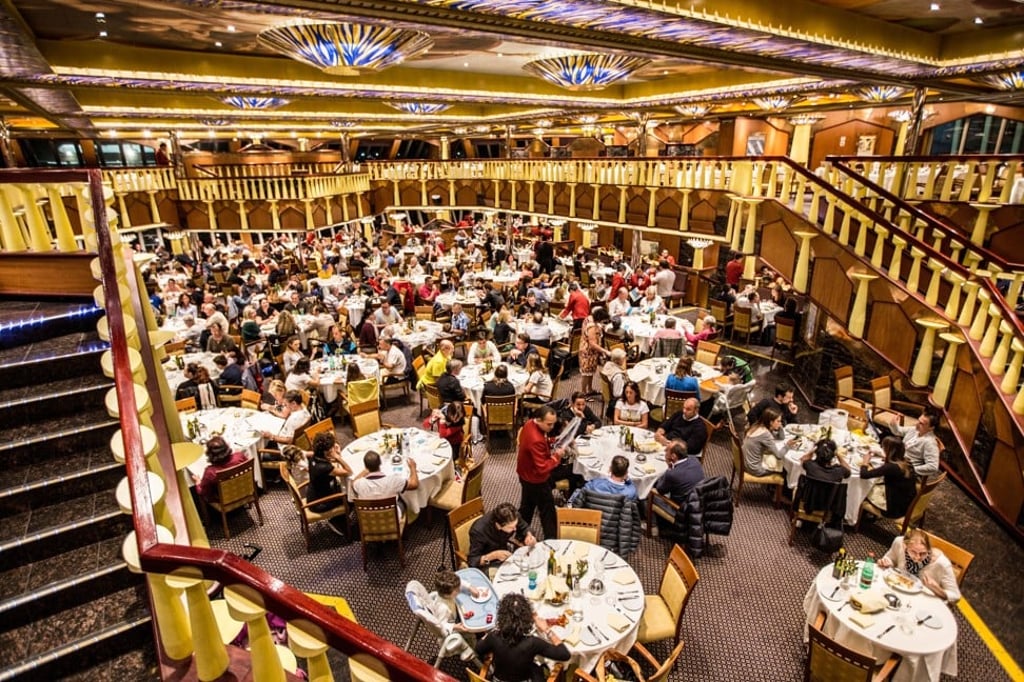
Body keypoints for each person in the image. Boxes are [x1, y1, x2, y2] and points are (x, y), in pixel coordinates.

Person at [474, 593, 570, 682]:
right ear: (527, 618)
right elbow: (564, 654)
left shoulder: (493, 637)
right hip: (524, 678)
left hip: (499, 679)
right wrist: (546, 629)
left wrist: (488, 634)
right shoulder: (533, 643)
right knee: (538, 669)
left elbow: (478, 649)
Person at [877, 528, 961, 603]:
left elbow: (956, 596)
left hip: (924, 601)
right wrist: (887, 562)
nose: (917, 557)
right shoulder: (899, 542)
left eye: (923, 553)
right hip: (899, 590)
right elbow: (891, 558)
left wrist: (938, 590)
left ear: (929, 549)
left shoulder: (941, 563)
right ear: (905, 546)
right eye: (913, 552)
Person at [516, 405, 562, 540]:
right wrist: (557, 456)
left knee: (527, 508)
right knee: (548, 512)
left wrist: (553, 441)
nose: (552, 427)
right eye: (549, 424)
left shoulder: (530, 423)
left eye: (553, 423)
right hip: (536, 479)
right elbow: (542, 467)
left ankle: (520, 535)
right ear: (540, 420)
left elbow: (544, 440)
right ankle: (551, 540)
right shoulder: (536, 440)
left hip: (525, 474)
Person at [859, 436, 919, 519]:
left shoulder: (890, 467)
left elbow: (864, 475)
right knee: (875, 484)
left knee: (864, 489)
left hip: (893, 509)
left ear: (888, 451)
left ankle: (858, 514)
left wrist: (865, 462)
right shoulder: (907, 462)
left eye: (883, 448)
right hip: (905, 503)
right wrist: (886, 458)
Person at [305, 431, 352, 535]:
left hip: (315, 494)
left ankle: (340, 518)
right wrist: (337, 456)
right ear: (327, 451)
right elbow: (348, 471)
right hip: (320, 503)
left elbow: (330, 462)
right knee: (351, 497)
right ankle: (337, 522)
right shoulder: (324, 467)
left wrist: (335, 454)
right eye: (332, 447)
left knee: (343, 487)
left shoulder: (314, 457)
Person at [351, 450, 419, 520]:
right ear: (380, 463)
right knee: (402, 500)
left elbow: (353, 483)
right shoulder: (393, 480)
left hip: (369, 519)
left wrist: (365, 471)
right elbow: (414, 484)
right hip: (391, 518)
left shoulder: (359, 484)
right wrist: (413, 468)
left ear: (365, 466)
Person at [467, 502, 537, 570]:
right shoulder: (479, 531)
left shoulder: (513, 516)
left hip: (504, 550)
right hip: (488, 561)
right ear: (498, 525)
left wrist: (529, 535)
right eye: (511, 527)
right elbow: (472, 561)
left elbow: (524, 527)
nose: (515, 529)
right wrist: (494, 555)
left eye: (515, 525)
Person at [192, 436, 247, 504]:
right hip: (244, 489)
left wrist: (198, 482)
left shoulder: (210, 472)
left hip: (225, 499)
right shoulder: (239, 456)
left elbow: (203, 492)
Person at [742, 408, 795, 476]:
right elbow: (779, 455)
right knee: (785, 469)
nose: (780, 423)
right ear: (771, 422)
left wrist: (780, 426)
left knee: (772, 457)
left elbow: (781, 437)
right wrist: (788, 445)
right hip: (755, 469)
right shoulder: (766, 434)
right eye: (778, 421)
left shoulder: (757, 426)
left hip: (745, 464)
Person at [473, 363, 517, 444]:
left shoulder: (488, 387)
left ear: (495, 373)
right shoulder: (511, 387)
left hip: (492, 417)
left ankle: (483, 429)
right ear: (506, 374)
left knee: (481, 404)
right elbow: (514, 401)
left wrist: (485, 413)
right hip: (507, 417)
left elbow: (482, 401)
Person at [890, 410, 941, 478]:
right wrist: (893, 424)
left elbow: (933, 467)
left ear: (931, 428)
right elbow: (897, 431)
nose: (917, 424)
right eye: (918, 420)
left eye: (921, 423)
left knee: (882, 470)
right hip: (898, 459)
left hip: (907, 469)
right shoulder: (914, 430)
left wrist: (911, 469)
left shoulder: (930, 442)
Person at [572, 455, 637, 502]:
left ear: (610, 469)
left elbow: (578, 497)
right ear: (626, 473)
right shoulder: (630, 492)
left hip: (594, 516)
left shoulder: (594, 484)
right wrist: (628, 480)